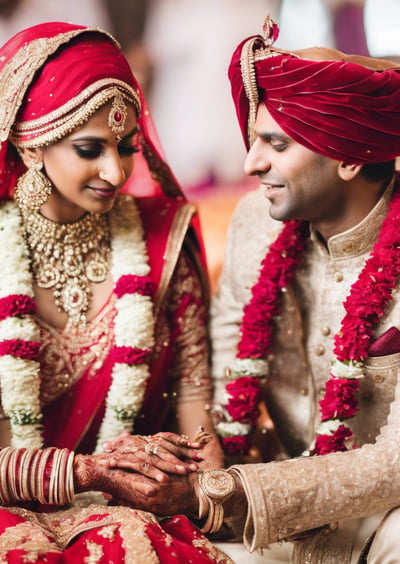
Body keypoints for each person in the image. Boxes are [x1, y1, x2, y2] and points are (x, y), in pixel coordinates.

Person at [104, 16, 400, 564]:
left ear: (350, 157)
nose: (250, 163)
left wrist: (223, 492)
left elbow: (395, 462)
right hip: (272, 507)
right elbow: (226, 353)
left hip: (386, 516)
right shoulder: (253, 222)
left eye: (276, 143)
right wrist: (203, 453)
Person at [0, 20, 228, 563]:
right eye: (89, 148)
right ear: (31, 145)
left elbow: (195, 409)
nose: (116, 171)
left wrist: (202, 494)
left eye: (126, 147)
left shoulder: (163, 243)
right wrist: (84, 470)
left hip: (127, 511)